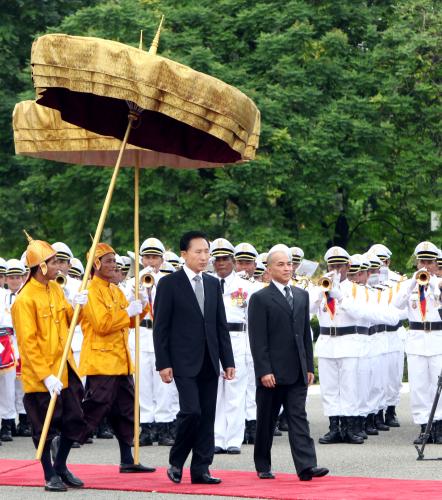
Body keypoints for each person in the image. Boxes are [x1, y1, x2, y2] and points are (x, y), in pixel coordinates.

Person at [153, 230, 235, 485]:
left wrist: (228, 360)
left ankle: (201, 468)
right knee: (191, 412)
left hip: (210, 360)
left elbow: (220, 325)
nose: (204, 257)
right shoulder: (169, 283)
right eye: (198, 252)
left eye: (206, 252)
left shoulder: (212, 283)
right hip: (183, 361)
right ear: (184, 254)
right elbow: (161, 328)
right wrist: (163, 363)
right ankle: (177, 461)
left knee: (207, 415)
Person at [11, 233, 88, 492]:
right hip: (41, 374)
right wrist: (45, 375)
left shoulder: (55, 288)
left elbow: (69, 320)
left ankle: (62, 466)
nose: (58, 266)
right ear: (41, 266)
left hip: (65, 367)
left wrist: (77, 306)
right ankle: (49, 473)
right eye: (53, 262)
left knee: (75, 419)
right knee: (44, 426)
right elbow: (28, 344)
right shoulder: (24, 299)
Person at [248, 244, 328, 481]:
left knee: (298, 417)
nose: (287, 268)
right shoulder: (260, 298)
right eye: (280, 264)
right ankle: (262, 463)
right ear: (269, 269)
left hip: (296, 371)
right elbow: (257, 338)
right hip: (272, 372)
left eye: (289, 264)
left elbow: (305, 334)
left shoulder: (301, 295)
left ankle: (306, 466)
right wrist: (264, 370)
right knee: (266, 420)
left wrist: (308, 367)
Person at [78, 242, 156, 472]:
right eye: (110, 261)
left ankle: (127, 458)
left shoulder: (114, 289)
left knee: (126, 409)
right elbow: (102, 324)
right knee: (96, 407)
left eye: (115, 260)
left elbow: (130, 321)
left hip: (121, 360)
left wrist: (140, 306)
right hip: (101, 361)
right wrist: (127, 312)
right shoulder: (91, 290)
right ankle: (64, 442)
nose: (115, 265)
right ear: (96, 264)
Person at [394, 241, 442, 444]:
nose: (425, 265)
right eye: (422, 261)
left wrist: (432, 283)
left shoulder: (439, 282)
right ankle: (424, 427)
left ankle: (439, 425)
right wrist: (413, 283)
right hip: (416, 339)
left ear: (435, 262)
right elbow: (396, 304)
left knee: (438, 386)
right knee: (419, 385)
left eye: (429, 261)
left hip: (438, 338)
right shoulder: (408, 284)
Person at [211, 238, 255, 455]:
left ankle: (234, 440)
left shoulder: (245, 287)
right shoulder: (207, 284)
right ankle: (217, 437)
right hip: (213, 342)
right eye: (217, 259)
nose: (220, 263)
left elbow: (252, 320)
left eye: (225, 259)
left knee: (236, 392)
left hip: (238, 339)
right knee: (216, 392)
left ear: (233, 261)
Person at [0, 259, 31, 441]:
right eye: (10, 277)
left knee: (19, 384)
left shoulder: (23, 296)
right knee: (7, 385)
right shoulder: (3, 295)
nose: (13, 280)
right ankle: (7, 423)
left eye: (17, 277)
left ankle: (19, 421)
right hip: (5, 340)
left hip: (19, 340)